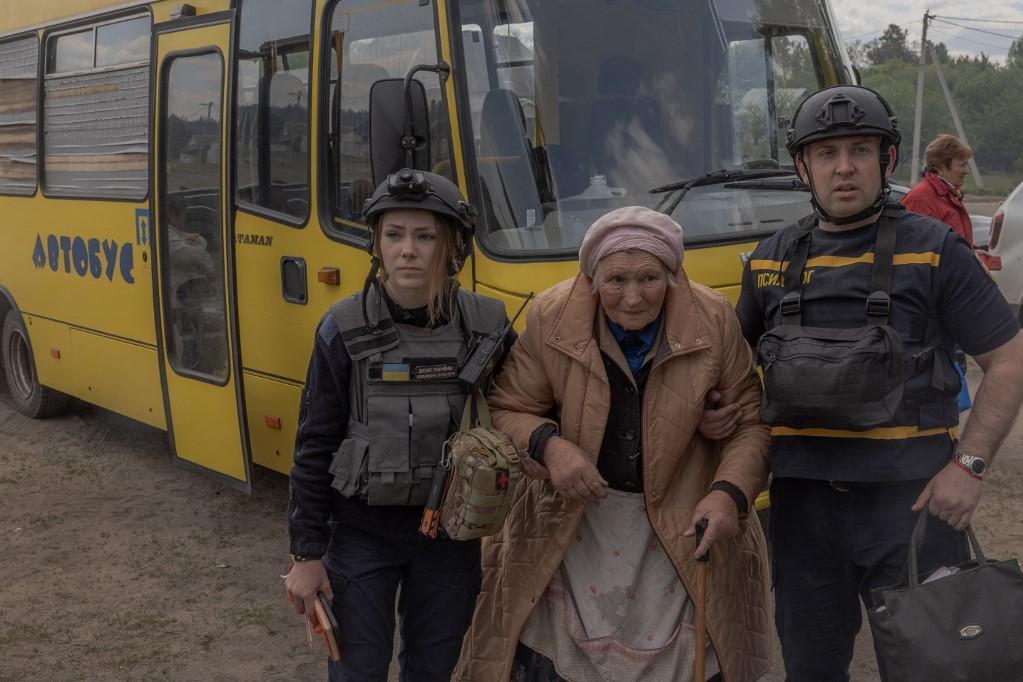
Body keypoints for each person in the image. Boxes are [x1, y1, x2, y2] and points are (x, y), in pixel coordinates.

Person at [722, 85, 1023, 681]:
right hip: (803, 510)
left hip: (913, 509)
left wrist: (969, 467)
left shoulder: (936, 250)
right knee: (810, 668)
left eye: (861, 149)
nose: (844, 167)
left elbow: (1010, 360)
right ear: (802, 165)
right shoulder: (769, 259)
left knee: (931, 667)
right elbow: (733, 377)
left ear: (887, 160)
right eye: (826, 152)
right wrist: (720, 415)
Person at [455, 206, 772, 681]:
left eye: (648, 279)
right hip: (574, 519)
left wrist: (728, 493)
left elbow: (750, 422)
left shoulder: (712, 319)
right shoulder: (552, 315)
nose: (632, 298)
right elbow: (506, 407)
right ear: (592, 277)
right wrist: (549, 445)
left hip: (683, 517)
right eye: (616, 280)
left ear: (672, 275)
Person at [285, 169, 514, 681]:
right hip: (361, 537)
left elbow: (527, 407)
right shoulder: (341, 327)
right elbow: (314, 444)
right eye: (394, 235)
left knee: (433, 672)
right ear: (378, 245)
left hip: (451, 540)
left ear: (451, 246)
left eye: (424, 236)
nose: (407, 250)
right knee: (358, 671)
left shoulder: (488, 326)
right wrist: (306, 554)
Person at [901, 133, 975, 245]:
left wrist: (976, 255)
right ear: (940, 167)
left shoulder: (949, 196)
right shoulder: (919, 200)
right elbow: (913, 251)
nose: (967, 171)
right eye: (962, 165)